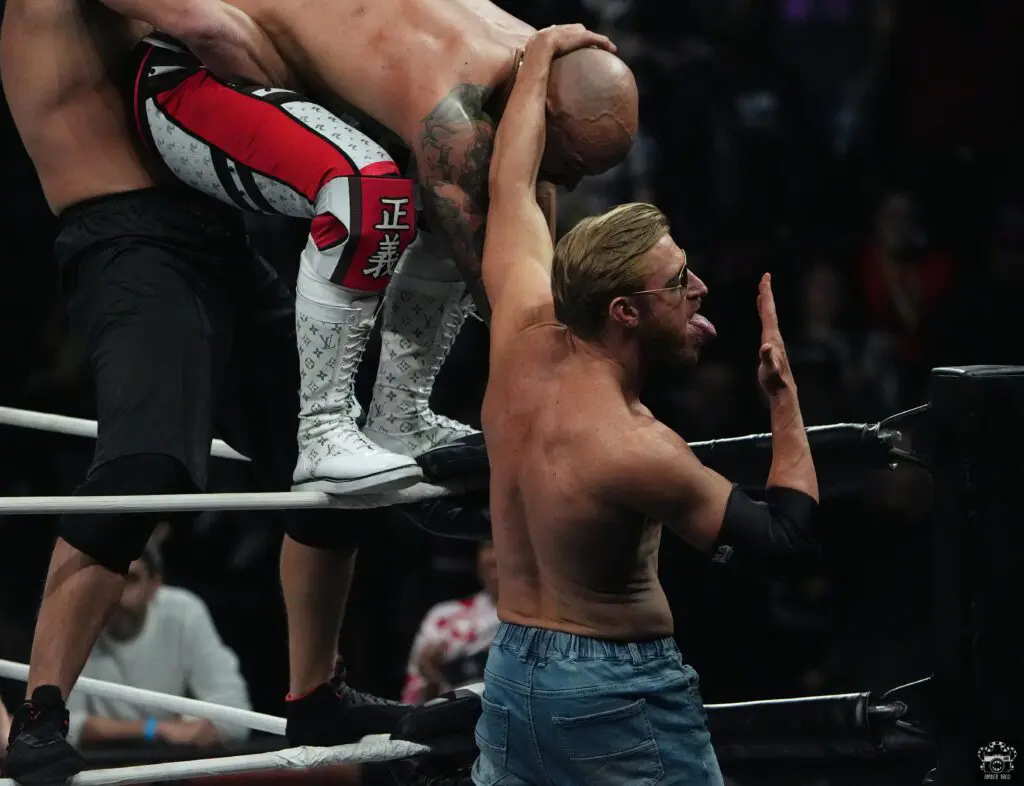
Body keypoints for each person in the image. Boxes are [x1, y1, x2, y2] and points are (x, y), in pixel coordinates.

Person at [0, 2, 402, 783]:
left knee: (330, 458)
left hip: (220, 237)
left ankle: (316, 693)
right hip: (129, 240)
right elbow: (220, 34)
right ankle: (41, 713)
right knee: (143, 467)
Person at [472, 25, 820, 785]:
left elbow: (511, 184)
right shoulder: (637, 447)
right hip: (611, 695)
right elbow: (783, 538)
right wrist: (784, 400)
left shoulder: (520, 333)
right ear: (625, 312)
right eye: (677, 282)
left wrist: (539, 57)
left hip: (511, 674)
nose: (699, 289)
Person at [123, 0, 638, 495]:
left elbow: (529, 224)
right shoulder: (456, 112)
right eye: (573, 165)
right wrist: (588, 403)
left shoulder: (537, 62)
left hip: (272, 88)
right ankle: (323, 431)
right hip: (186, 77)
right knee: (373, 194)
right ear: (545, 113)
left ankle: (400, 419)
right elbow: (512, 298)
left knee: (461, 209)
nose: (571, 184)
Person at [65, 544, 250, 749]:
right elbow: (63, 726)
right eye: (105, 580)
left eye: (130, 579)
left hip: (172, 759)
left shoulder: (183, 613)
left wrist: (202, 728)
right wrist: (154, 729)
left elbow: (235, 711)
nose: (115, 594)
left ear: (154, 585)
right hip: (98, 760)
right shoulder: (74, 622)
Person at [402, 541, 499, 705]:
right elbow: (412, 706)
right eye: (489, 546)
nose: (496, 557)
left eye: (508, 546)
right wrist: (431, 678)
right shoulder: (444, 618)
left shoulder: (544, 624)